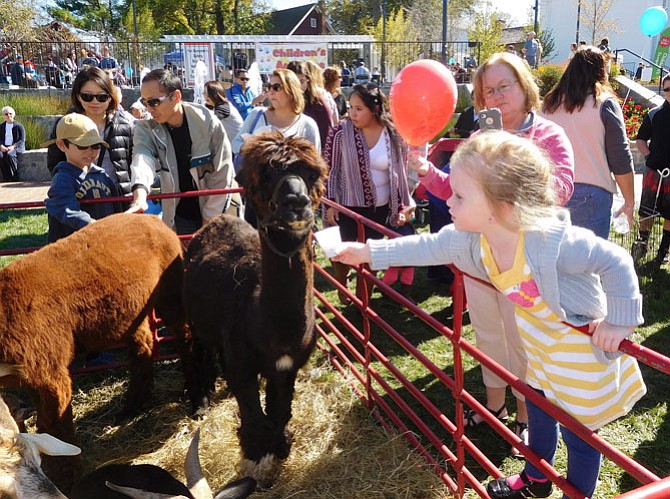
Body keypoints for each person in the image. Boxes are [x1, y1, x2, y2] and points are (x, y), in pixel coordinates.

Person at [333, 131, 646, 499]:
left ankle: (577, 494)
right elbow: (429, 245)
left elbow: (616, 260)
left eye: (460, 195)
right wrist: (367, 252)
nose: (448, 200)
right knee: (540, 408)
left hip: (578, 353)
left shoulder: (552, 243)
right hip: (541, 348)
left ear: (503, 207)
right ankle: (537, 478)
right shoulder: (474, 238)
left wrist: (618, 320)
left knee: (579, 435)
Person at [408, 51, 575, 456]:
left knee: (522, 337)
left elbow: (561, 189)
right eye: (488, 90)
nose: (497, 96)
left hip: (527, 261)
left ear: (524, 87)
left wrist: (505, 171)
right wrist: (431, 175)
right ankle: (494, 404)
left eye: (505, 86)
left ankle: (525, 415)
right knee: (487, 329)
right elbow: (457, 189)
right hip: (483, 256)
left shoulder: (548, 136)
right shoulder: (480, 139)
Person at [324, 83, 413, 303]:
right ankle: (343, 286)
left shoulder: (392, 132)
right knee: (342, 252)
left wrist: (403, 203)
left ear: (374, 109)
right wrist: (331, 203)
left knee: (373, 254)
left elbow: (400, 169)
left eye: (359, 108)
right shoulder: (340, 131)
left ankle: (363, 297)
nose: (352, 113)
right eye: (350, 107)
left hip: (380, 208)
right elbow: (330, 169)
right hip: (347, 206)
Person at [127, 69, 236, 235]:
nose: (149, 109)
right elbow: (142, 158)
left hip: (219, 211)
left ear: (176, 96)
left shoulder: (207, 122)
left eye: (154, 102)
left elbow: (223, 171)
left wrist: (210, 221)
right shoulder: (146, 128)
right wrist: (140, 196)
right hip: (180, 216)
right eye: (145, 102)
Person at [541, 45, 635, 240]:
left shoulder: (547, 106)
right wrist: (629, 201)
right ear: (600, 72)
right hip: (592, 194)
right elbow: (620, 157)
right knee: (588, 265)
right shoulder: (604, 103)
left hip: (551, 192)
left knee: (552, 262)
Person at [46, 67, 134, 197]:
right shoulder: (64, 124)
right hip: (79, 198)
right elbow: (55, 163)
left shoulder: (125, 125)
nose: (95, 101)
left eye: (102, 97)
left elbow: (131, 164)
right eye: (87, 96)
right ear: (78, 96)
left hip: (118, 200)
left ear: (110, 97)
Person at [43, 113, 123, 243]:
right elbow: (66, 209)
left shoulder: (103, 176)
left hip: (103, 242)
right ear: (62, 145)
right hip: (74, 248)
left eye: (95, 145)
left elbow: (117, 207)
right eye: (82, 146)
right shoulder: (63, 179)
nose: (90, 151)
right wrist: (94, 225)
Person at [632, 73, 670, 266]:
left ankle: (663, 252)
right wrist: (649, 157)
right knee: (646, 210)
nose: (669, 92)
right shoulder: (654, 114)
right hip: (653, 171)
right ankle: (642, 244)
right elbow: (640, 140)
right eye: (666, 89)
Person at [287, 60, 334, 148]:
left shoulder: (318, 103)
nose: (298, 87)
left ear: (308, 80)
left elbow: (326, 136)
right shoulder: (282, 101)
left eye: (301, 81)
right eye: (293, 82)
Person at [203, 79, 243, 152]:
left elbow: (210, 122)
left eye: (208, 93)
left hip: (237, 148)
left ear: (215, 94)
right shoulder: (218, 105)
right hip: (232, 146)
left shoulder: (223, 107)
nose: (206, 96)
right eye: (204, 93)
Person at [0, 106, 25, 182]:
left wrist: (13, 146)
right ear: (3, 116)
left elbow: (21, 140)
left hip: (16, 147)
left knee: (10, 155)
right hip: (4, 146)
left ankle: (15, 176)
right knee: (0, 155)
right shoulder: (1, 126)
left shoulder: (19, 126)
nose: (8, 116)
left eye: (10, 114)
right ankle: (6, 177)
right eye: (6, 114)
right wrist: (1, 146)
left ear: (13, 114)